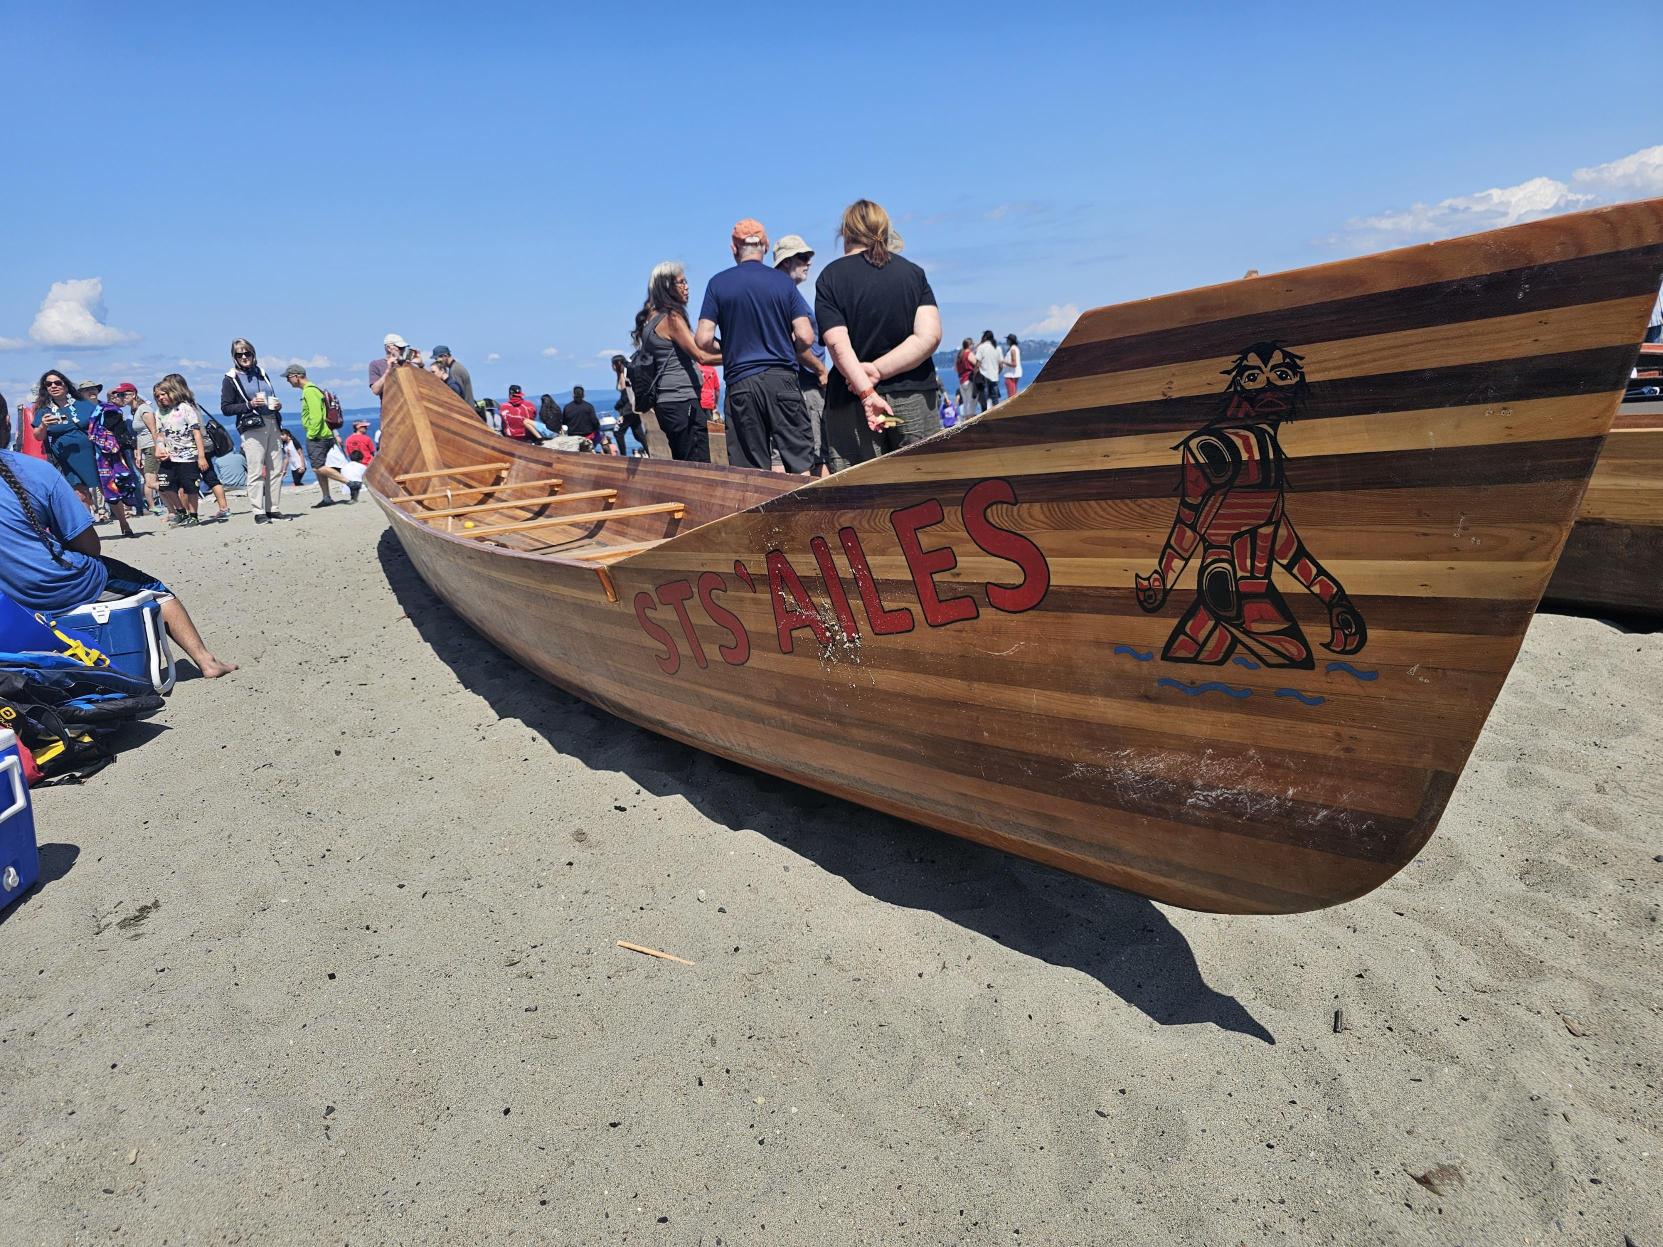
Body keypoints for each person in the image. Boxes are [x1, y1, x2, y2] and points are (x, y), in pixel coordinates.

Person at [0, 392, 235, 676]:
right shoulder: (36, 471)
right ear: (7, 422)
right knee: (158, 591)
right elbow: (90, 546)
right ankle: (208, 663)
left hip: (11, 597)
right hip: (56, 585)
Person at [814, 199, 943, 471]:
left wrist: (866, 389)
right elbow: (928, 337)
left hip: (851, 402)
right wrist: (877, 371)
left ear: (845, 232)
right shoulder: (912, 273)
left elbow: (837, 344)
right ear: (885, 231)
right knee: (922, 481)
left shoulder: (831, 277)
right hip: (913, 394)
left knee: (860, 491)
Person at [695, 219, 818, 473]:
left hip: (742, 383)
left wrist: (729, 347)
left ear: (733, 248)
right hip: (782, 379)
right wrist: (782, 344)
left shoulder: (717, 284)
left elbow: (703, 339)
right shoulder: (783, 283)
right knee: (800, 463)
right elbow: (805, 336)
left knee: (750, 471)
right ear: (765, 245)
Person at [632, 260, 720, 462]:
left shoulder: (651, 319)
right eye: (681, 282)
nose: (686, 287)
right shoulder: (672, 318)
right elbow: (701, 355)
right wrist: (739, 356)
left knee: (684, 460)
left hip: (668, 404)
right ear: (667, 287)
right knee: (699, 463)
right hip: (683, 401)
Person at [774, 233, 831, 474]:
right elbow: (794, 342)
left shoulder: (781, 293)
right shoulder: (787, 295)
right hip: (806, 382)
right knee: (817, 455)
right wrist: (820, 369)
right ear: (786, 261)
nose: (809, 262)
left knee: (784, 455)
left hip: (789, 381)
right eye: (803, 256)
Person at [220, 338, 285, 523]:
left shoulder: (262, 373)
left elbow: (271, 396)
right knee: (255, 469)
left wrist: (277, 405)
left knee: (276, 468)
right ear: (234, 357)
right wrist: (249, 405)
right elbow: (226, 408)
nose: (244, 357)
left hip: (272, 421)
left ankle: (273, 508)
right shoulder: (230, 378)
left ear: (253, 354)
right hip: (252, 426)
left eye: (247, 353)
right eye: (239, 354)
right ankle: (258, 511)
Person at [30, 369, 100, 511]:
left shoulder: (83, 404)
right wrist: (43, 425)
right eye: (48, 384)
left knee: (106, 487)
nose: (53, 386)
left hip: (93, 454)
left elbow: (101, 423)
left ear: (66, 385)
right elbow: (37, 436)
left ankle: (124, 523)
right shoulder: (44, 411)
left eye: (57, 383)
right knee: (79, 493)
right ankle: (87, 525)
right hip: (66, 458)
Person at [152, 374, 210, 526]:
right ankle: (180, 511)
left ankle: (193, 515)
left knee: (190, 487)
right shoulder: (159, 413)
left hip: (188, 455)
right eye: (157, 396)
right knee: (165, 485)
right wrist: (159, 448)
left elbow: (196, 433)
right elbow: (160, 434)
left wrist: (201, 456)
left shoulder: (185, 408)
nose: (160, 398)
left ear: (172, 392)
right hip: (169, 456)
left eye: (163, 394)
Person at [284, 363, 337, 508]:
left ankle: (350, 482)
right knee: (319, 467)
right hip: (324, 433)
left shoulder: (309, 391)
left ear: (296, 376)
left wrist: (311, 435)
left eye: (288, 378)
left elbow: (317, 416)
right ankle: (326, 496)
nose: (288, 381)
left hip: (318, 435)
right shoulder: (312, 389)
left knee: (317, 467)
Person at [111, 382, 160, 515]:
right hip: (143, 448)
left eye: (124, 394)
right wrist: (138, 453)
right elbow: (138, 435)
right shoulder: (134, 411)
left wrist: (158, 448)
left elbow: (154, 430)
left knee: (150, 481)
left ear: (133, 394)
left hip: (151, 447)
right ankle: (159, 506)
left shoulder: (144, 409)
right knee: (148, 480)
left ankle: (174, 490)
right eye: (119, 395)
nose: (121, 397)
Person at [610, 355, 647, 455]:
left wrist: (617, 406)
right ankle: (649, 452)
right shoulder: (624, 373)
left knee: (617, 432)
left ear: (618, 364)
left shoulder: (624, 374)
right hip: (633, 409)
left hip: (628, 410)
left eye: (613, 364)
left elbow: (625, 395)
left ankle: (623, 455)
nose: (612, 367)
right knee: (638, 434)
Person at [369, 333, 413, 402]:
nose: (403, 350)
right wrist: (389, 369)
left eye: (404, 348)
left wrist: (420, 365)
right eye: (400, 348)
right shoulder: (376, 364)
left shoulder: (407, 363)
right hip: (390, 411)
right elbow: (375, 391)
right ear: (389, 348)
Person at [973, 330, 1001, 413]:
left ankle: (985, 418)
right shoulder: (997, 348)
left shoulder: (981, 347)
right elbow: (1001, 365)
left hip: (984, 376)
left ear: (984, 337)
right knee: (995, 400)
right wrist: (997, 372)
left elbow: (977, 364)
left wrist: (974, 376)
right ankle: (997, 416)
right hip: (994, 377)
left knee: (984, 401)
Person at [954, 337, 978, 417]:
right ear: (969, 345)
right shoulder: (968, 354)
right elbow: (976, 363)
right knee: (971, 401)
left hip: (961, 380)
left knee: (965, 401)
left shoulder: (960, 355)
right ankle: (971, 419)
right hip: (969, 379)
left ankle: (966, 418)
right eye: (972, 344)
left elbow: (956, 369)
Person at [1001, 333, 1023, 401]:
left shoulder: (1013, 349)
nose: (1006, 341)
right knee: (1013, 394)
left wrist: (1003, 361)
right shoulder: (1015, 348)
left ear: (1010, 340)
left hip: (1011, 375)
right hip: (1014, 374)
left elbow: (1014, 364)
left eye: (1007, 339)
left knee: (1011, 395)